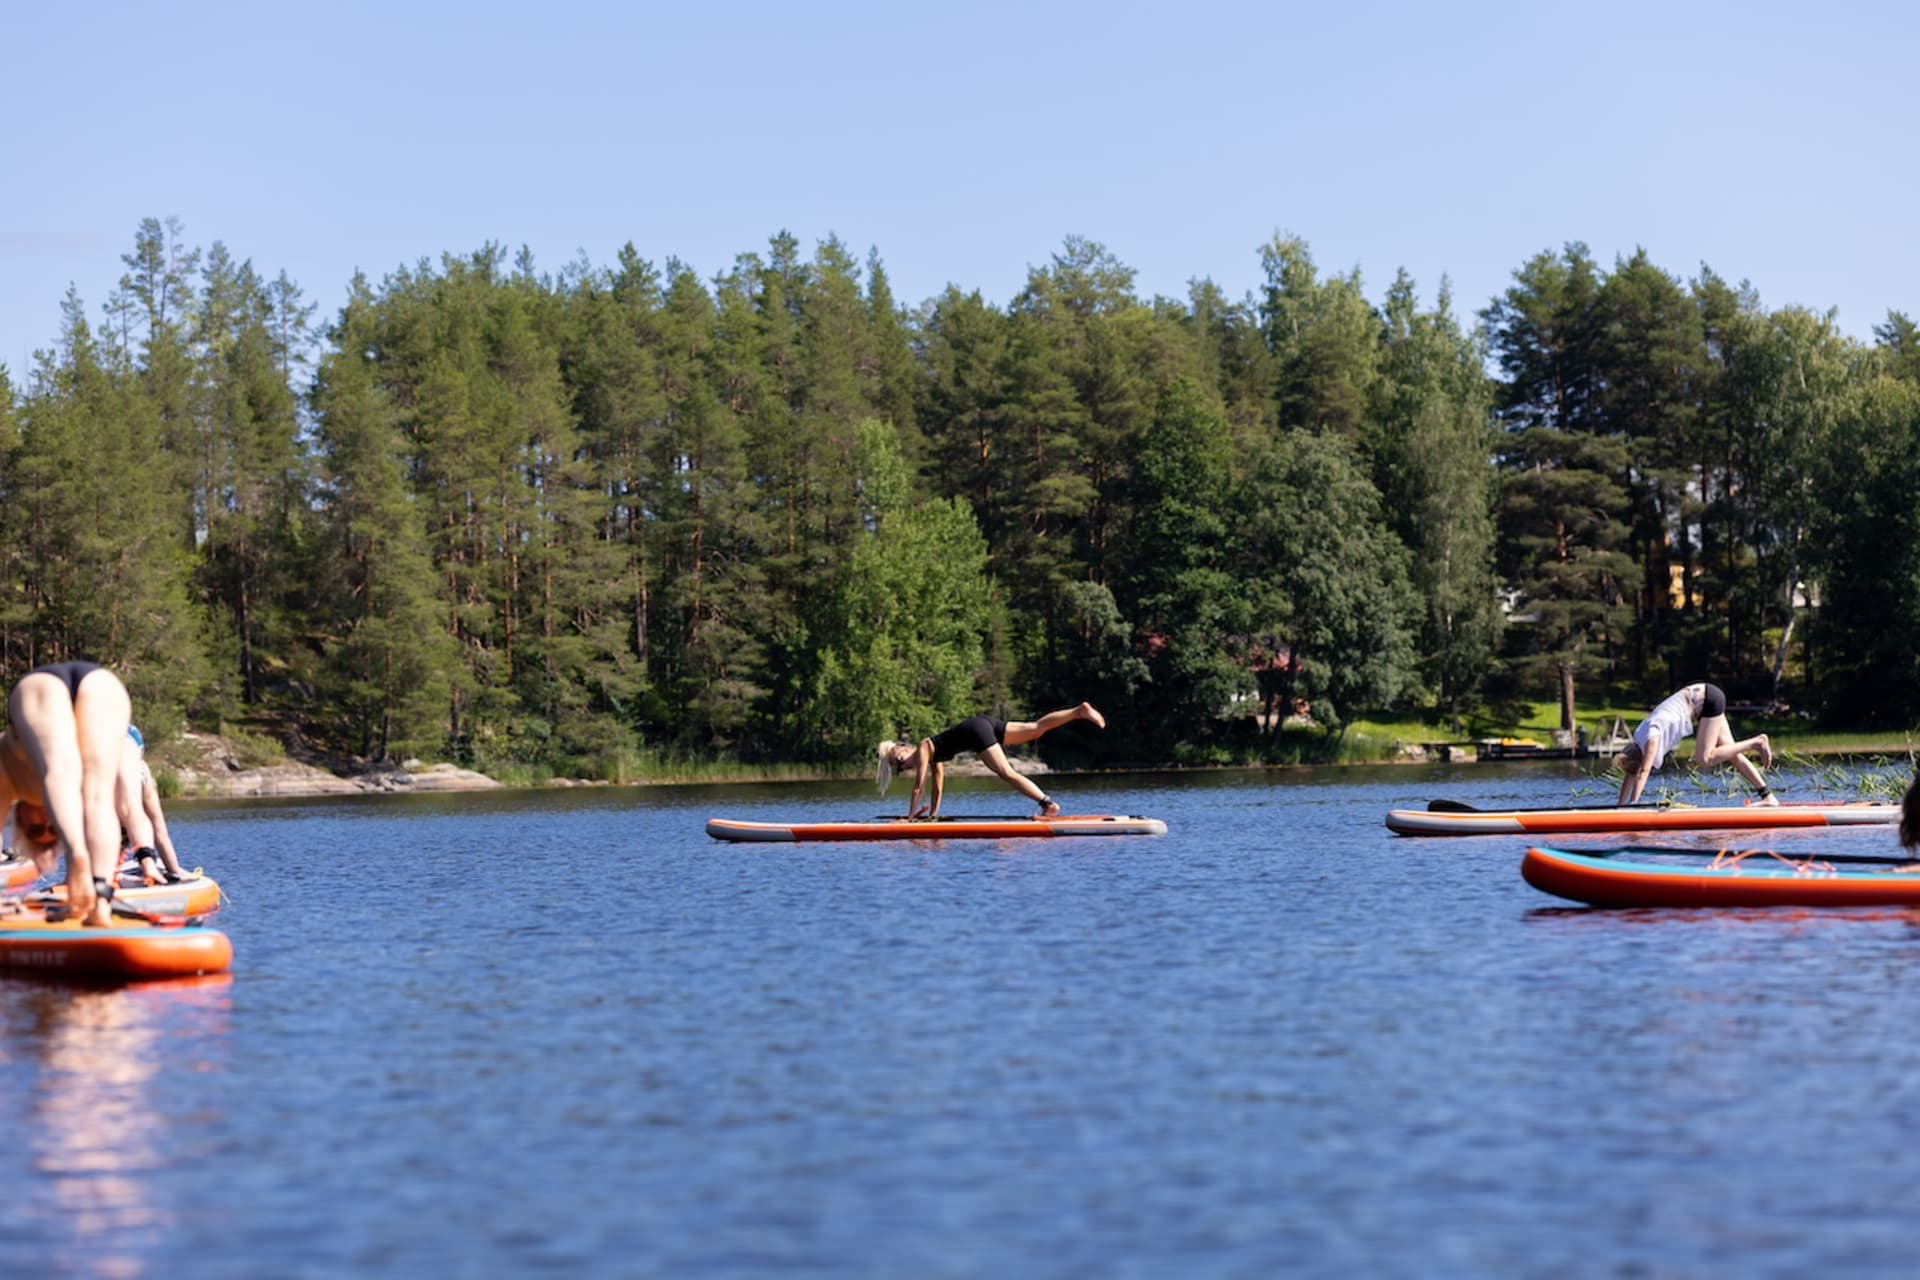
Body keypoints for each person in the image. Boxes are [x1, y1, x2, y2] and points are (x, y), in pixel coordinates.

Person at [0, 661, 134, 927]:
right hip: (102, 684)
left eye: (38, 829)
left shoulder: (9, 779)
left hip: (41, 686)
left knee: (60, 771)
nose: (48, 819)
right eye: (54, 829)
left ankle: (80, 863)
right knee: (97, 796)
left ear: (20, 821)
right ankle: (100, 901)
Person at [878, 703, 1106, 819]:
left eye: (899, 759)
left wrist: (909, 818)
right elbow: (937, 786)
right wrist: (933, 816)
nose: (903, 765)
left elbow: (918, 788)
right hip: (981, 723)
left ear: (903, 748)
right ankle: (1078, 711)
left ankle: (1047, 804)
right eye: (898, 768)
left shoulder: (924, 748)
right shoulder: (931, 753)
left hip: (976, 733)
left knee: (1006, 773)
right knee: (1036, 729)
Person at [1616, 681, 1776, 807]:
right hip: (1705, 698)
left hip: (1707, 700)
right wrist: (1620, 807)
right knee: (1731, 753)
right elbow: (1633, 774)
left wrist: (1633, 805)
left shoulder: (1651, 737)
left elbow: (1642, 772)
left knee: (1705, 759)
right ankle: (1768, 796)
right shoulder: (1639, 738)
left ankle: (1756, 742)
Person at [117, 724, 191, 884]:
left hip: (108, 759)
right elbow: (160, 832)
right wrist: (175, 871)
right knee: (133, 814)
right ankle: (149, 866)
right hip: (127, 754)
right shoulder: (142, 770)